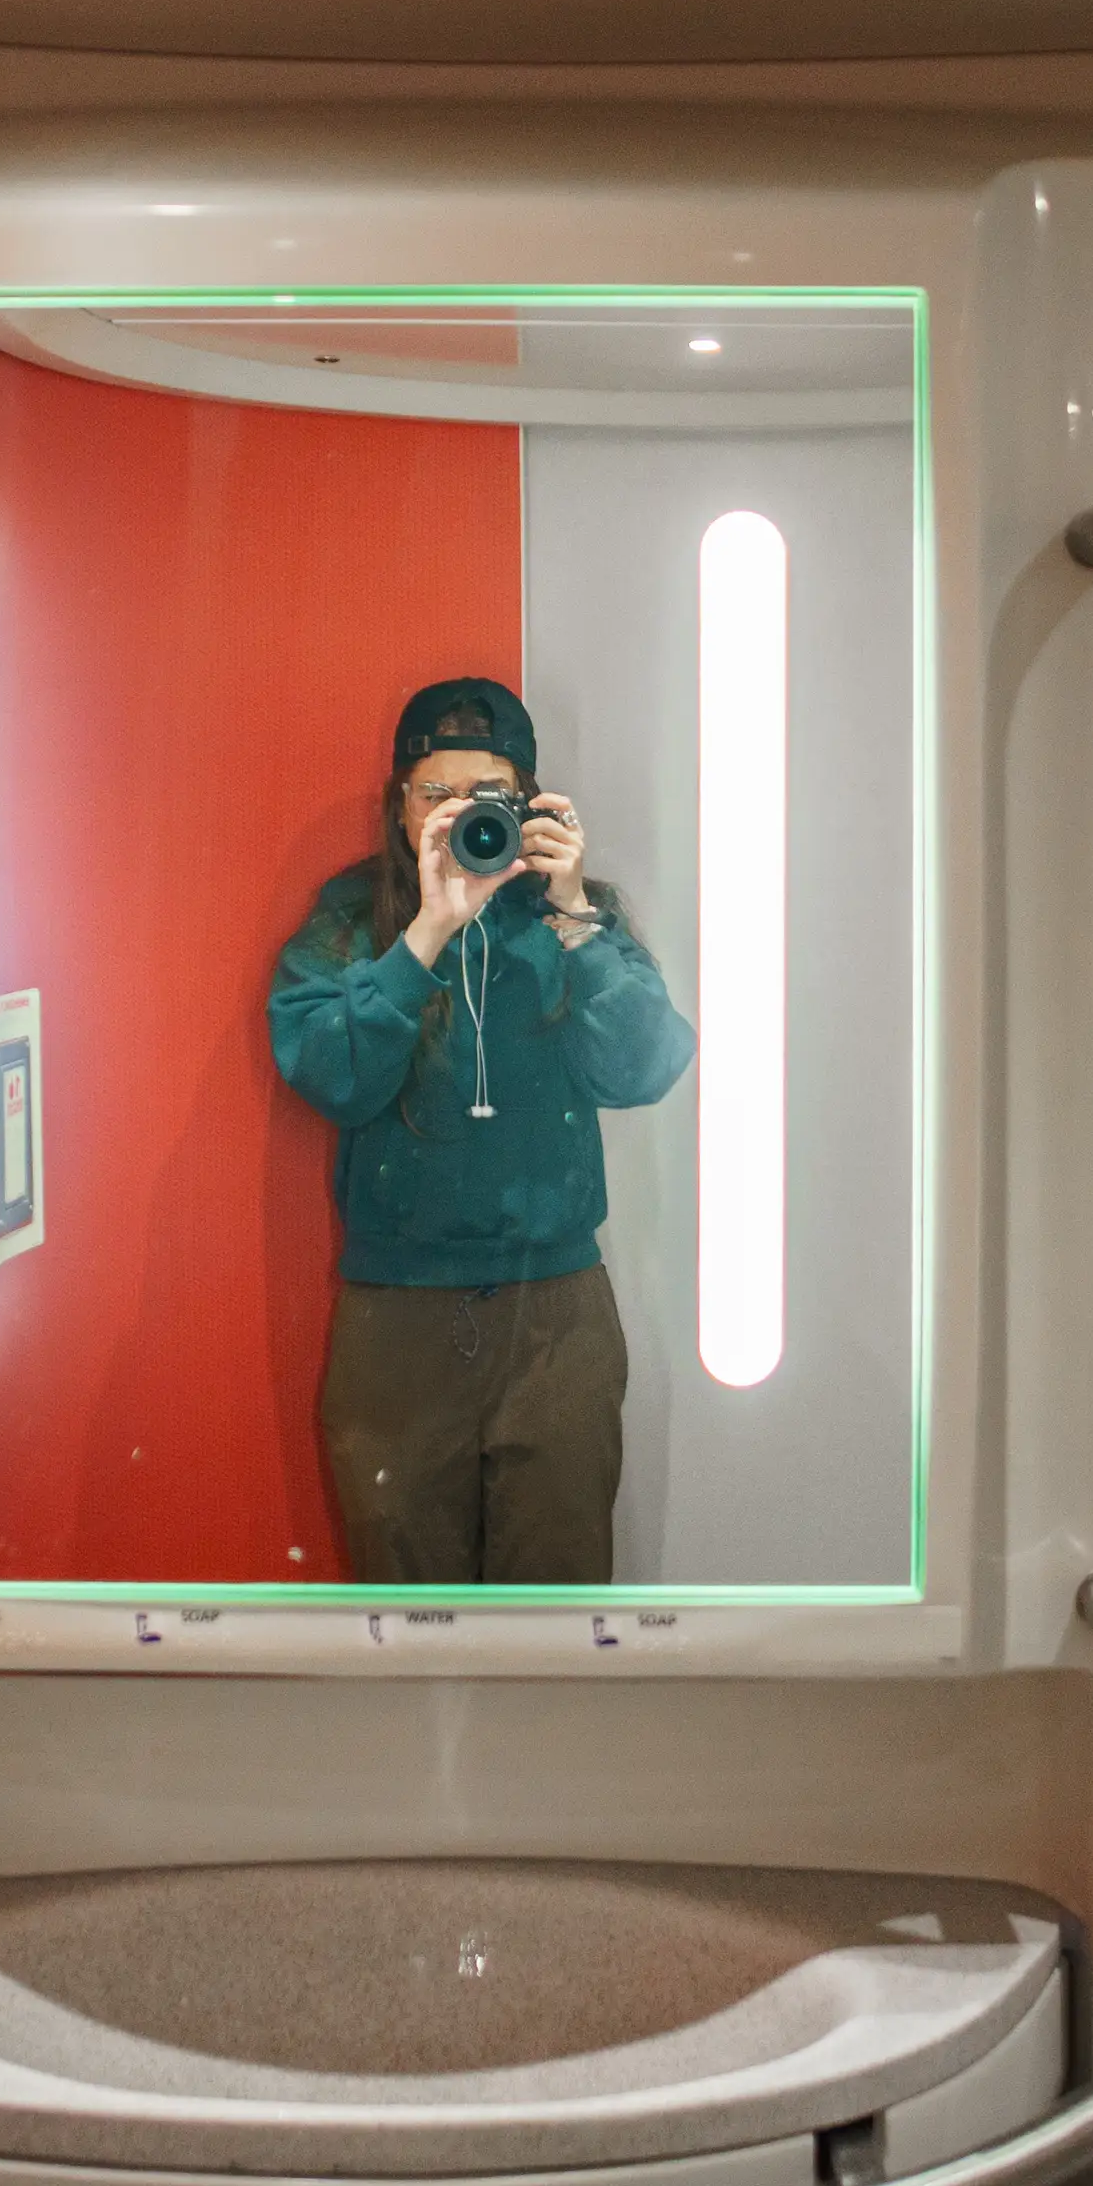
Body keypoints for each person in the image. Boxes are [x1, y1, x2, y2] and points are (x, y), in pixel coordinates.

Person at [268, 678, 695, 1583]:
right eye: (436, 793)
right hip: (396, 1317)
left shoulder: (573, 918)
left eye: (487, 794)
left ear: (530, 804)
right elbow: (330, 1076)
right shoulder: (353, 920)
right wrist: (425, 935)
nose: (461, 814)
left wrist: (575, 916)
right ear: (400, 807)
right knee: (405, 1610)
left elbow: (647, 1068)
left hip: (558, 1314)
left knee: (558, 1607)